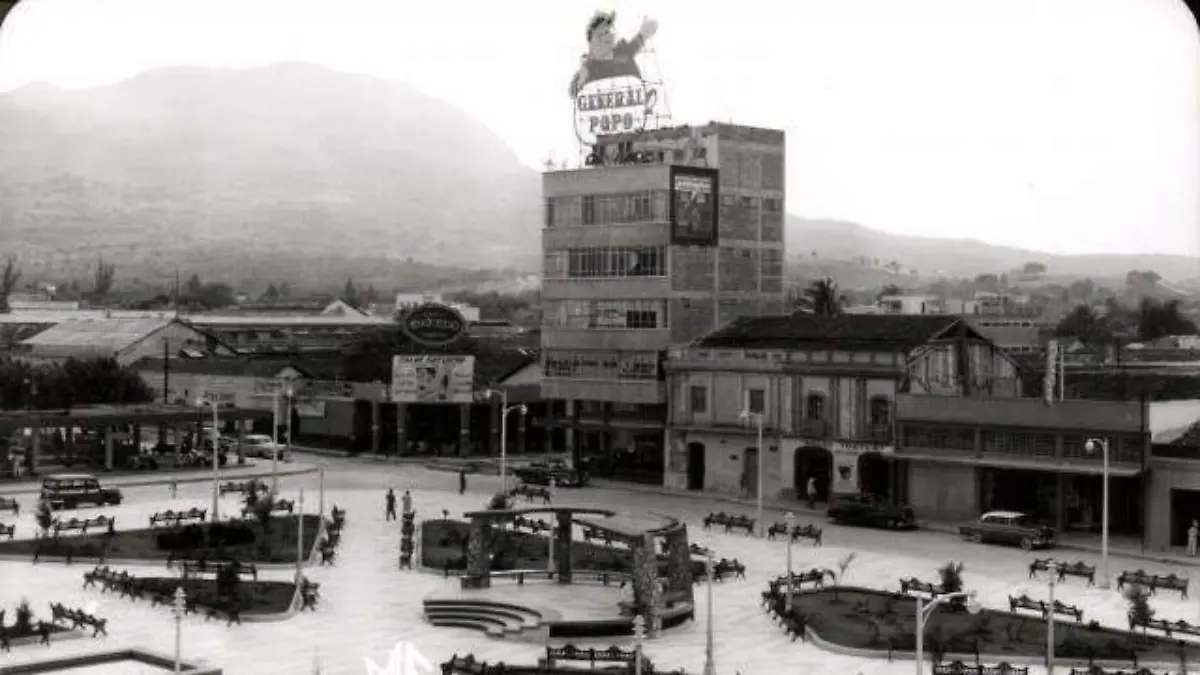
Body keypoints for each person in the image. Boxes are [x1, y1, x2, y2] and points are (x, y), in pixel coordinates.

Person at [568, 11, 658, 98]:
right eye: (600, 35)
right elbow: (573, 92)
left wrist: (647, 29)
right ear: (591, 43)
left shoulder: (623, 52)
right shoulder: (589, 68)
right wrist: (580, 81)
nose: (606, 37)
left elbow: (640, 38)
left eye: (608, 31)